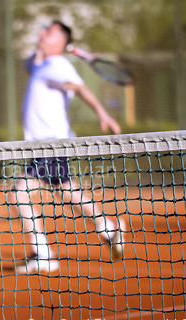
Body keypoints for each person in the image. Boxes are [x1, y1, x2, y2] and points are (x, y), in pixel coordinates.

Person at [8, 21, 125, 274]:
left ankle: (43, 254)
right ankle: (109, 228)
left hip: (51, 143)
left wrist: (102, 113)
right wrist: (42, 46)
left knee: (18, 194)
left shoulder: (58, 65)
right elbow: (31, 63)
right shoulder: (43, 65)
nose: (40, 33)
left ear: (60, 41)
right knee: (66, 191)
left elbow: (80, 88)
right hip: (43, 146)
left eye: (47, 32)